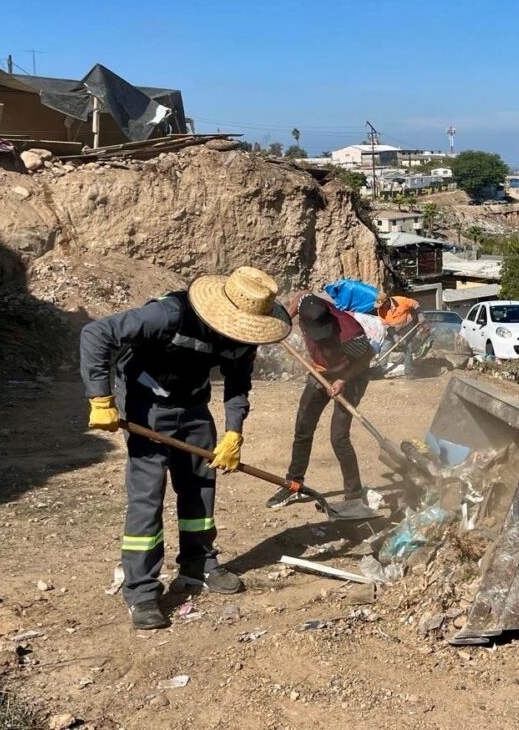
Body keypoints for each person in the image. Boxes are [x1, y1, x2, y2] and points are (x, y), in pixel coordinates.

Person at [81, 266, 291, 630]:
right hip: (145, 405)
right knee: (147, 495)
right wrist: (101, 397)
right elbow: (96, 333)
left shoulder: (247, 333)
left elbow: (238, 383)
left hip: (194, 405)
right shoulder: (168, 314)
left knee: (200, 486)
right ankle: (142, 591)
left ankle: (199, 563)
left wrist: (234, 432)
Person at [265, 293, 376, 518]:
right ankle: (294, 485)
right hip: (320, 372)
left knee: (339, 437)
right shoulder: (306, 303)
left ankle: (354, 496)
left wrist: (342, 380)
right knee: (303, 428)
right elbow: (299, 298)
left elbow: (367, 358)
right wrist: (281, 325)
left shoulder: (350, 332)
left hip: (351, 376)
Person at [374, 292, 426, 373]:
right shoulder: (380, 311)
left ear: (387, 302)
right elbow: (387, 325)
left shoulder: (401, 300)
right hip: (393, 330)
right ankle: (381, 369)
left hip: (408, 328)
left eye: (382, 305)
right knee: (385, 348)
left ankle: (408, 372)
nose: (380, 308)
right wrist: (395, 336)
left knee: (407, 348)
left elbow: (415, 304)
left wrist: (420, 315)